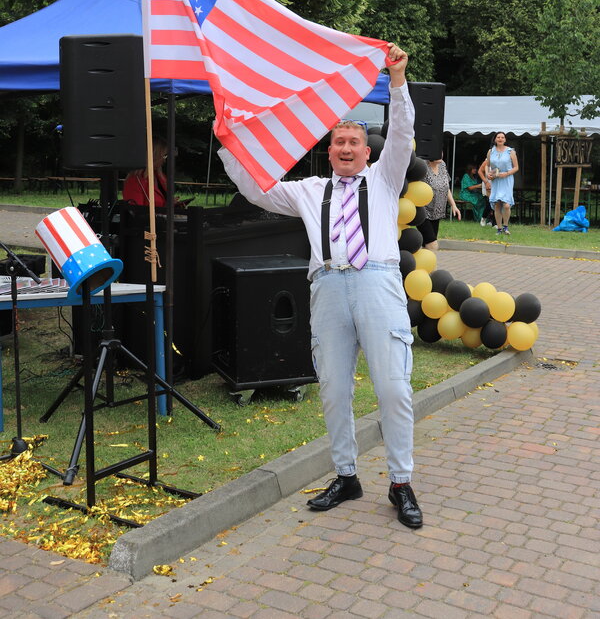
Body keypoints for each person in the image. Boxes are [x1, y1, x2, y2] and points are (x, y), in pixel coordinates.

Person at [218, 45, 423, 530]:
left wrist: (397, 81)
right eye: (338, 143)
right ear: (328, 151)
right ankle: (346, 476)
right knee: (332, 390)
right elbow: (256, 189)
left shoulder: (385, 179)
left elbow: (402, 133)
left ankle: (400, 483)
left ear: (367, 152)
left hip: (377, 284)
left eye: (354, 143)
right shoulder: (309, 190)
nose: (346, 149)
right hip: (327, 288)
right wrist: (227, 140)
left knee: (393, 388)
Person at [417, 157, 461, 251]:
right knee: (432, 244)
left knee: (427, 246)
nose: (440, 154)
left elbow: (445, 187)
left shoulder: (442, 165)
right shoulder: (422, 165)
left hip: (436, 212)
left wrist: (453, 205)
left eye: (441, 151)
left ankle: (424, 261)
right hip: (422, 211)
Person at [485, 131, 518, 235]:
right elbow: (487, 165)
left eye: (502, 137)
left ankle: (506, 226)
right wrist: (488, 174)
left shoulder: (510, 151)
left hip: (507, 179)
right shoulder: (491, 151)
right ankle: (499, 229)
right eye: (498, 137)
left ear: (505, 139)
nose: (500, 139)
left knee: (506, 205)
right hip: (496, 179)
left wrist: (506, 173)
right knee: (497, 204)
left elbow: (516, 167)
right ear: (495, 139)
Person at [123, 138, 170, 207]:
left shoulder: (161, 177)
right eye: (163, 156)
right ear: (154, 156)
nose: (164, 161)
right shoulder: (135, 181)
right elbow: (136, 210)